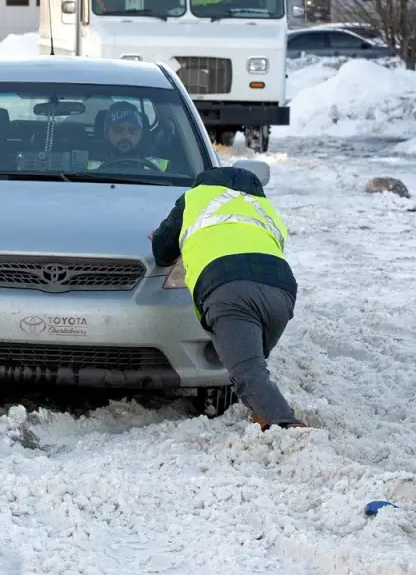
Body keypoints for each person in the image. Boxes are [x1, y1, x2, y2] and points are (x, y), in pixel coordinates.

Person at [150, 166, 307, 430]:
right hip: (281, 290)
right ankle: (263, 419)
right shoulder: (263, 206)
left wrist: (162, 237)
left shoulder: (195, 198)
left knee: (248, 372)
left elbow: (162, 252)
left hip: (229, 286)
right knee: (252, 365)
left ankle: (288, 427)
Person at [89, 101, 173, 172]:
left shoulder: (160, 165)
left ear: (141, 134)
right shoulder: (86, 163)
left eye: (132, 130)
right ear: (106, 134)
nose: (126, 135)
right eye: (118, 130)